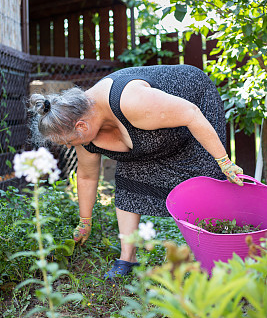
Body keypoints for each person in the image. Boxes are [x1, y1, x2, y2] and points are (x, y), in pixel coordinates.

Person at [29, 64, 243, 279]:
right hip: (141, 131)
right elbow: (86, 176)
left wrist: (224, 162)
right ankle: (127, 258)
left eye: (69, 141)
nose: (68, 146)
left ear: (81, 126)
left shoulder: (132, 101)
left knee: (203, 178)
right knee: (129, 178)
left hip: (191, 104)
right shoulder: (81, 128)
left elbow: (191, 114)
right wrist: (85, 221)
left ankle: (214, 254)